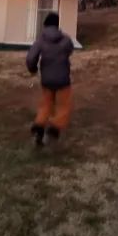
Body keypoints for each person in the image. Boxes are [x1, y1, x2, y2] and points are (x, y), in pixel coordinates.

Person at [25, 11, 74, 147]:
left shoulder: (40, 40)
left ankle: (39, 127)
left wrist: (33, 69)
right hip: (63, 79)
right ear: (57, 25)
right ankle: (54, 128)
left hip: (46, 79)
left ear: (45, 25)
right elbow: (70, 50)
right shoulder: (66, 39)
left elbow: (30, 58)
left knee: (46, 105)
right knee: (63, 106)